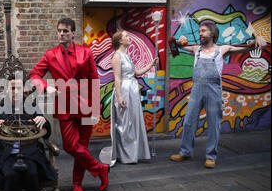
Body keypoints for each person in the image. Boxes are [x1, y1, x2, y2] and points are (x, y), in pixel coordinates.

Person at [29, 17, 109, 191]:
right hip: (64, 105)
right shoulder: (50, 55)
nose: (62, 34)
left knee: (83, 147)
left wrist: (95, 107)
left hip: (86, 104)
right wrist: (45, 86)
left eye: (66, 31)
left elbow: (94, 79)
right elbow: (34, 74)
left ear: (73, 33)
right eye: (59, 31)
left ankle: (77, 182)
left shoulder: (85, 52)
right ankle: (101, 169)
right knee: (70, 145)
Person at [170, 22, 267, 168]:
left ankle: (211, 156)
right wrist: (179, 39)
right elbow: (176, 45)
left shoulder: (223, 49)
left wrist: (257, 39)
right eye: (199, 31)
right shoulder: (196, 49)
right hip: (197, 89)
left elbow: (247, 46)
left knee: (214, 124)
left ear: (212, 34)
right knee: (189, 121)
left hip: (213, 90)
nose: (200, 33)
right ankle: (186, 152)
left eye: (203, 31)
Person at [101, 30, 158, 166]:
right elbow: (117, 77)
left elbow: (136, 73)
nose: (129, 37)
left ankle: (134, 153)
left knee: (133, 121)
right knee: (125, 124)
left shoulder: (127, 56)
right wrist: (119, 97)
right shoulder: (116, 56)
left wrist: (151, 65)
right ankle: (125, 156)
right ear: (120, 40)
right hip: (124, 90)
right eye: (126, 36)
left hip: (132, 89)